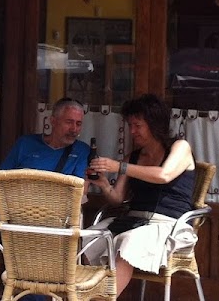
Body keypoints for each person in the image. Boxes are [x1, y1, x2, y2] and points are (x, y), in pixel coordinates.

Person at [0, 97, 92, 301]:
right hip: (9, 214)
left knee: (33, 249)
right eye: (69, 122)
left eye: (78, 123)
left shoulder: (80, 150)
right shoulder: (26, 143)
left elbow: (80, 190)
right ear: (52, 121)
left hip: (49, 220)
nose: (74, 129)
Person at [86, 94, 196, 298]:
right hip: (134, 221)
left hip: (168, 225)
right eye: (130, 125)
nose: (132, 131)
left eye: (137, 125)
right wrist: (103, 184)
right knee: (90, 237)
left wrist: (120, 166)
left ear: (154, 124)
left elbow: (164, 175)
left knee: (128, 242)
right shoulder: (134, 157)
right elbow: (118, 198)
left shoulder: (180, 147)